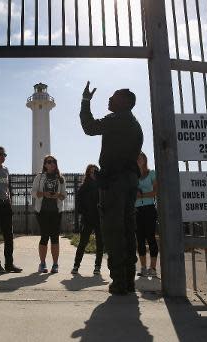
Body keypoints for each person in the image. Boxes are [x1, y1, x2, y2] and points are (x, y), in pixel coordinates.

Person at [80, 82, 143, 295]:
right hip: (129, 181)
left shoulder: (117, 120)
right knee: (127, 230)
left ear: (124, 102)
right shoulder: (135, 125)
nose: (109, 99)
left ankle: (119, 282)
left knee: (114, 231)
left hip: (114, 183)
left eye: (113, 97)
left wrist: (86, 101)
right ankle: (129, 280)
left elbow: (89, 127)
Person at [31, 155, 67, 274]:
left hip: (56, 212)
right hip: (42, 212)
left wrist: (57, 195)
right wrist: (43, 194)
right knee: (44, 236)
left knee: (55, 238)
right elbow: (33, 192)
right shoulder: (39, 177)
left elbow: (64, 195)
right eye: (49, 162)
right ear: (45, 164)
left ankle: (55, 264)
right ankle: (42, 263)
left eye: (54, 162)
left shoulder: (60, 178)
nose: (52, 164)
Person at [72, 164, 103, 275]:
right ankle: (76, 265)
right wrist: (84, 213)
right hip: (87, 218)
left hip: (100, 218)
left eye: (96, 171)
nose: (94, 174)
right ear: (88, 173)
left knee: (100, 243)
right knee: (83, 242)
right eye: (91, 172)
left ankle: (97, 266)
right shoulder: (84, 187)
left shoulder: (102, 186)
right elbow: (79, 203)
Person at [135, 152, 158, 277]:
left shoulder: (152, 173)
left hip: (149, 208)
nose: (139, 159)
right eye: (137, 158)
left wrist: (142, 195)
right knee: (140, 239)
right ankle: (143, 268)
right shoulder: (134, 176)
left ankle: (153, 268)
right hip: (137, 209)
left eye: (141, 157)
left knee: (151, 238)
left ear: (145, 159)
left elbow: (155, 191)